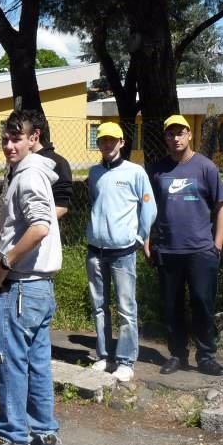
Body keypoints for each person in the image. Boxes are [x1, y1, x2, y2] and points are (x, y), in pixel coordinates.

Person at [0, 110, 61, 445]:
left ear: (33, 137)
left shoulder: (28, 176)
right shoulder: (31, 172)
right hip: (40, 288)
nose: (9, 145)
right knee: (37, 363)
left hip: (21, 287)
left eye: (16, 138)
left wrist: (5, 263)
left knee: (8, 362)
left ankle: (12, 436)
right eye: (5, 139)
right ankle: (43, 429)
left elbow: (39, 227)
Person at [146, 115, 223, 377]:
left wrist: (217, 245)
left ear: (190, 134)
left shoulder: (206, 167)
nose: (176, 138)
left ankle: (206, 357)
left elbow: (222, 206)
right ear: (165, 137)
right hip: (167, 250)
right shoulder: (157, 170)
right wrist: (147, 242)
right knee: (172, 307)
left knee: (202, 303)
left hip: (201, 250)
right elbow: (146, 209)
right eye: (170, 134)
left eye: (180, 133)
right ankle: (177, 355)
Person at [86, 122, 156, 383]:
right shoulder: (94, 173)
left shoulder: (135, 172)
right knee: (99, 305)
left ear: (122, 143)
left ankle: (126, 361)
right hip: (95, 250)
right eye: (103, 140)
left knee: (126, 308)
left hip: (123, 252)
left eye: (112, 140)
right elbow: (96, 203)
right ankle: (104, 355)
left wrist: (139, 237)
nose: (107, 144)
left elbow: (149, 207)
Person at [26, 110, 73, 220]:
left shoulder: (58, 163)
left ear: (35, 134)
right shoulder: (20, 161)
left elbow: (61, 207)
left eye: (19, 134)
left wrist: (37, 225)